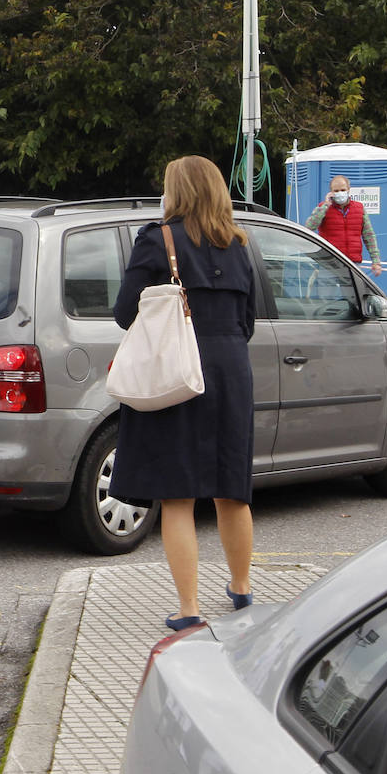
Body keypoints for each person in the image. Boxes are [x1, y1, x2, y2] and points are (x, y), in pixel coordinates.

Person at [108, 156, 256, 630]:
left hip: (178, 369)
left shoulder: (157, 239)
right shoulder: (239, 244)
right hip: (232, 370)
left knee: (178, 495)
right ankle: (241, 588)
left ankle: (189, 609)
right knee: (232, 491)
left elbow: (123, 312)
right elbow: (247, 322)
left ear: (176, 192)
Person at [304, 175, 381, 276]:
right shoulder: (323, 208)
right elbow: (310, 226)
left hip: (352, 263)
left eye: (343, 189)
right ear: (331, 192)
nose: (340, 193)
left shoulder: (359, 208)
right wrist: (326, 205)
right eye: (336, 191)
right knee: (328, 292)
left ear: (349, 190)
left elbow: (369, 236)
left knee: (353, 291)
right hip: (328, 263)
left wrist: (376, 261)